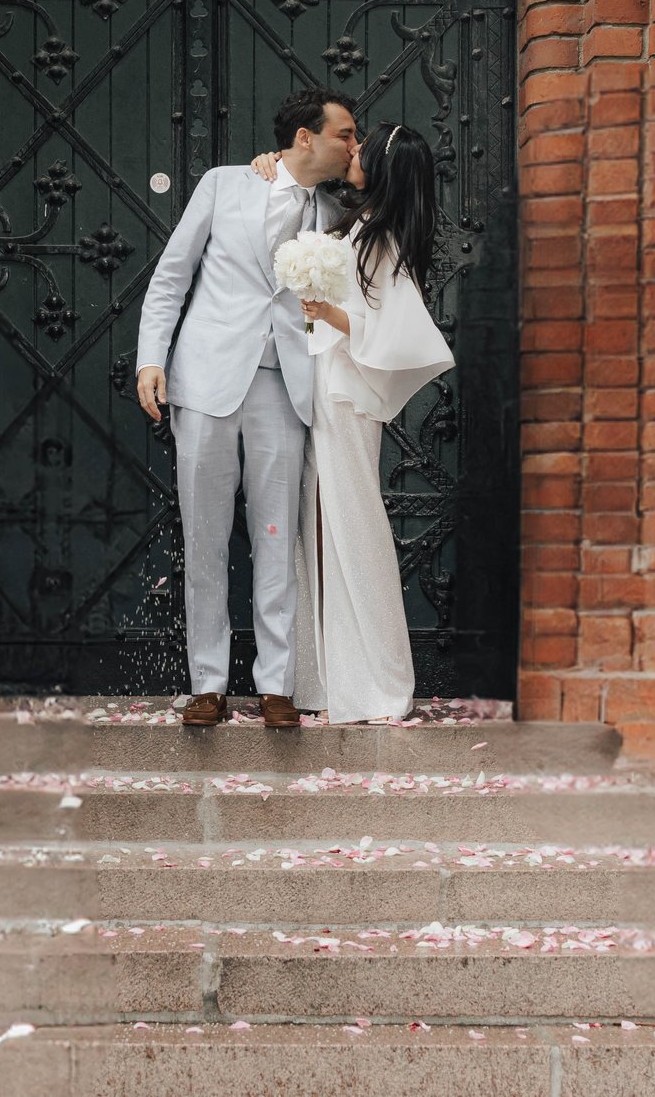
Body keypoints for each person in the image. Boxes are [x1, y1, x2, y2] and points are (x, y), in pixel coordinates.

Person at [135, 89, 359, 729]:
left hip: (283, 387)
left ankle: (276, 685)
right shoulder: (224, 184)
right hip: (205, 379)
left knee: (274, 534)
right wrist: (152, 359)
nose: (353, 144)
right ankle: (207, 681)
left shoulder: (336, 211)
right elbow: (172, 277)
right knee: (204, 535)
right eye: (344, 133)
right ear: (306, 138)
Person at [250, 124, 454, 723]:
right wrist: (271, 160)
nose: (354, 153)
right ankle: (331, 679)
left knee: (353, 524)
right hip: (323, 387)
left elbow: (400, 331)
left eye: (365, 151)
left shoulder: (384, 238)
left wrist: (328, 314)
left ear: (388, 169)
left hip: (346, 398)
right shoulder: (357, 222)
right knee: (318, 528)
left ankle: (381, 680)